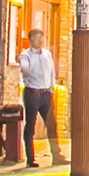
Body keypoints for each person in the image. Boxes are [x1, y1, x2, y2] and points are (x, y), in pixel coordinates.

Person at [16, 28, 64, 168]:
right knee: (30, 125)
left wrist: (51, 89)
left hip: (45, 93)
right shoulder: (25, 55)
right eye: (36, 38)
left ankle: (56, 155)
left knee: (51, 124)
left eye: (41, 37)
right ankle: (30, 158)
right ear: (30, 40)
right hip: (32, 92)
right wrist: (27, 68)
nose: (40, 40)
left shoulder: (47, 54)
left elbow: (51, 73)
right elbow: (25, 71)